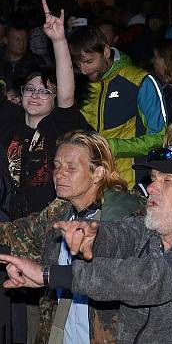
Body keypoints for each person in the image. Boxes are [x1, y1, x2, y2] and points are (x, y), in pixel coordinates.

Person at [0, 139, 172, 344]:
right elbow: (121, 234)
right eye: (153, 178)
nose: (152, 188)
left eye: (167, 181)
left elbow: (149, 278)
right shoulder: (152, 230)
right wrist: (93, 236)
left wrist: (51, 275)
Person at [0, 130, 143, 343]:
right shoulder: (62, 210)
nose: (59, 174)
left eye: (71, 168)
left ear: (98, 173)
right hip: (65, 333)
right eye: (57, 166)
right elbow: (16, 233)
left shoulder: (126, 217)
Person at [1, 0, 91, 220]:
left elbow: (67, 93)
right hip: (7, 220)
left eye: (44, 92)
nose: (34, 95)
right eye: (29, 89)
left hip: (48, 222)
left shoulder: (59, 126)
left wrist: (59, 40)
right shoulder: (9, 117)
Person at [68, 24, 167, 188]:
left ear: (106, 51)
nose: (84, 70)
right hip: (89, 182)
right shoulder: (78, 84)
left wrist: (109, 146)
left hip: (130, 182)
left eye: (89, 61)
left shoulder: (140, 81)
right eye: (78, 64)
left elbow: (160, 138)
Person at [0, 22, 45, 88]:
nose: (22, 43)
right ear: (5, 40)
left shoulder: (36, 63)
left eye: (25, 38)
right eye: (17, 39)